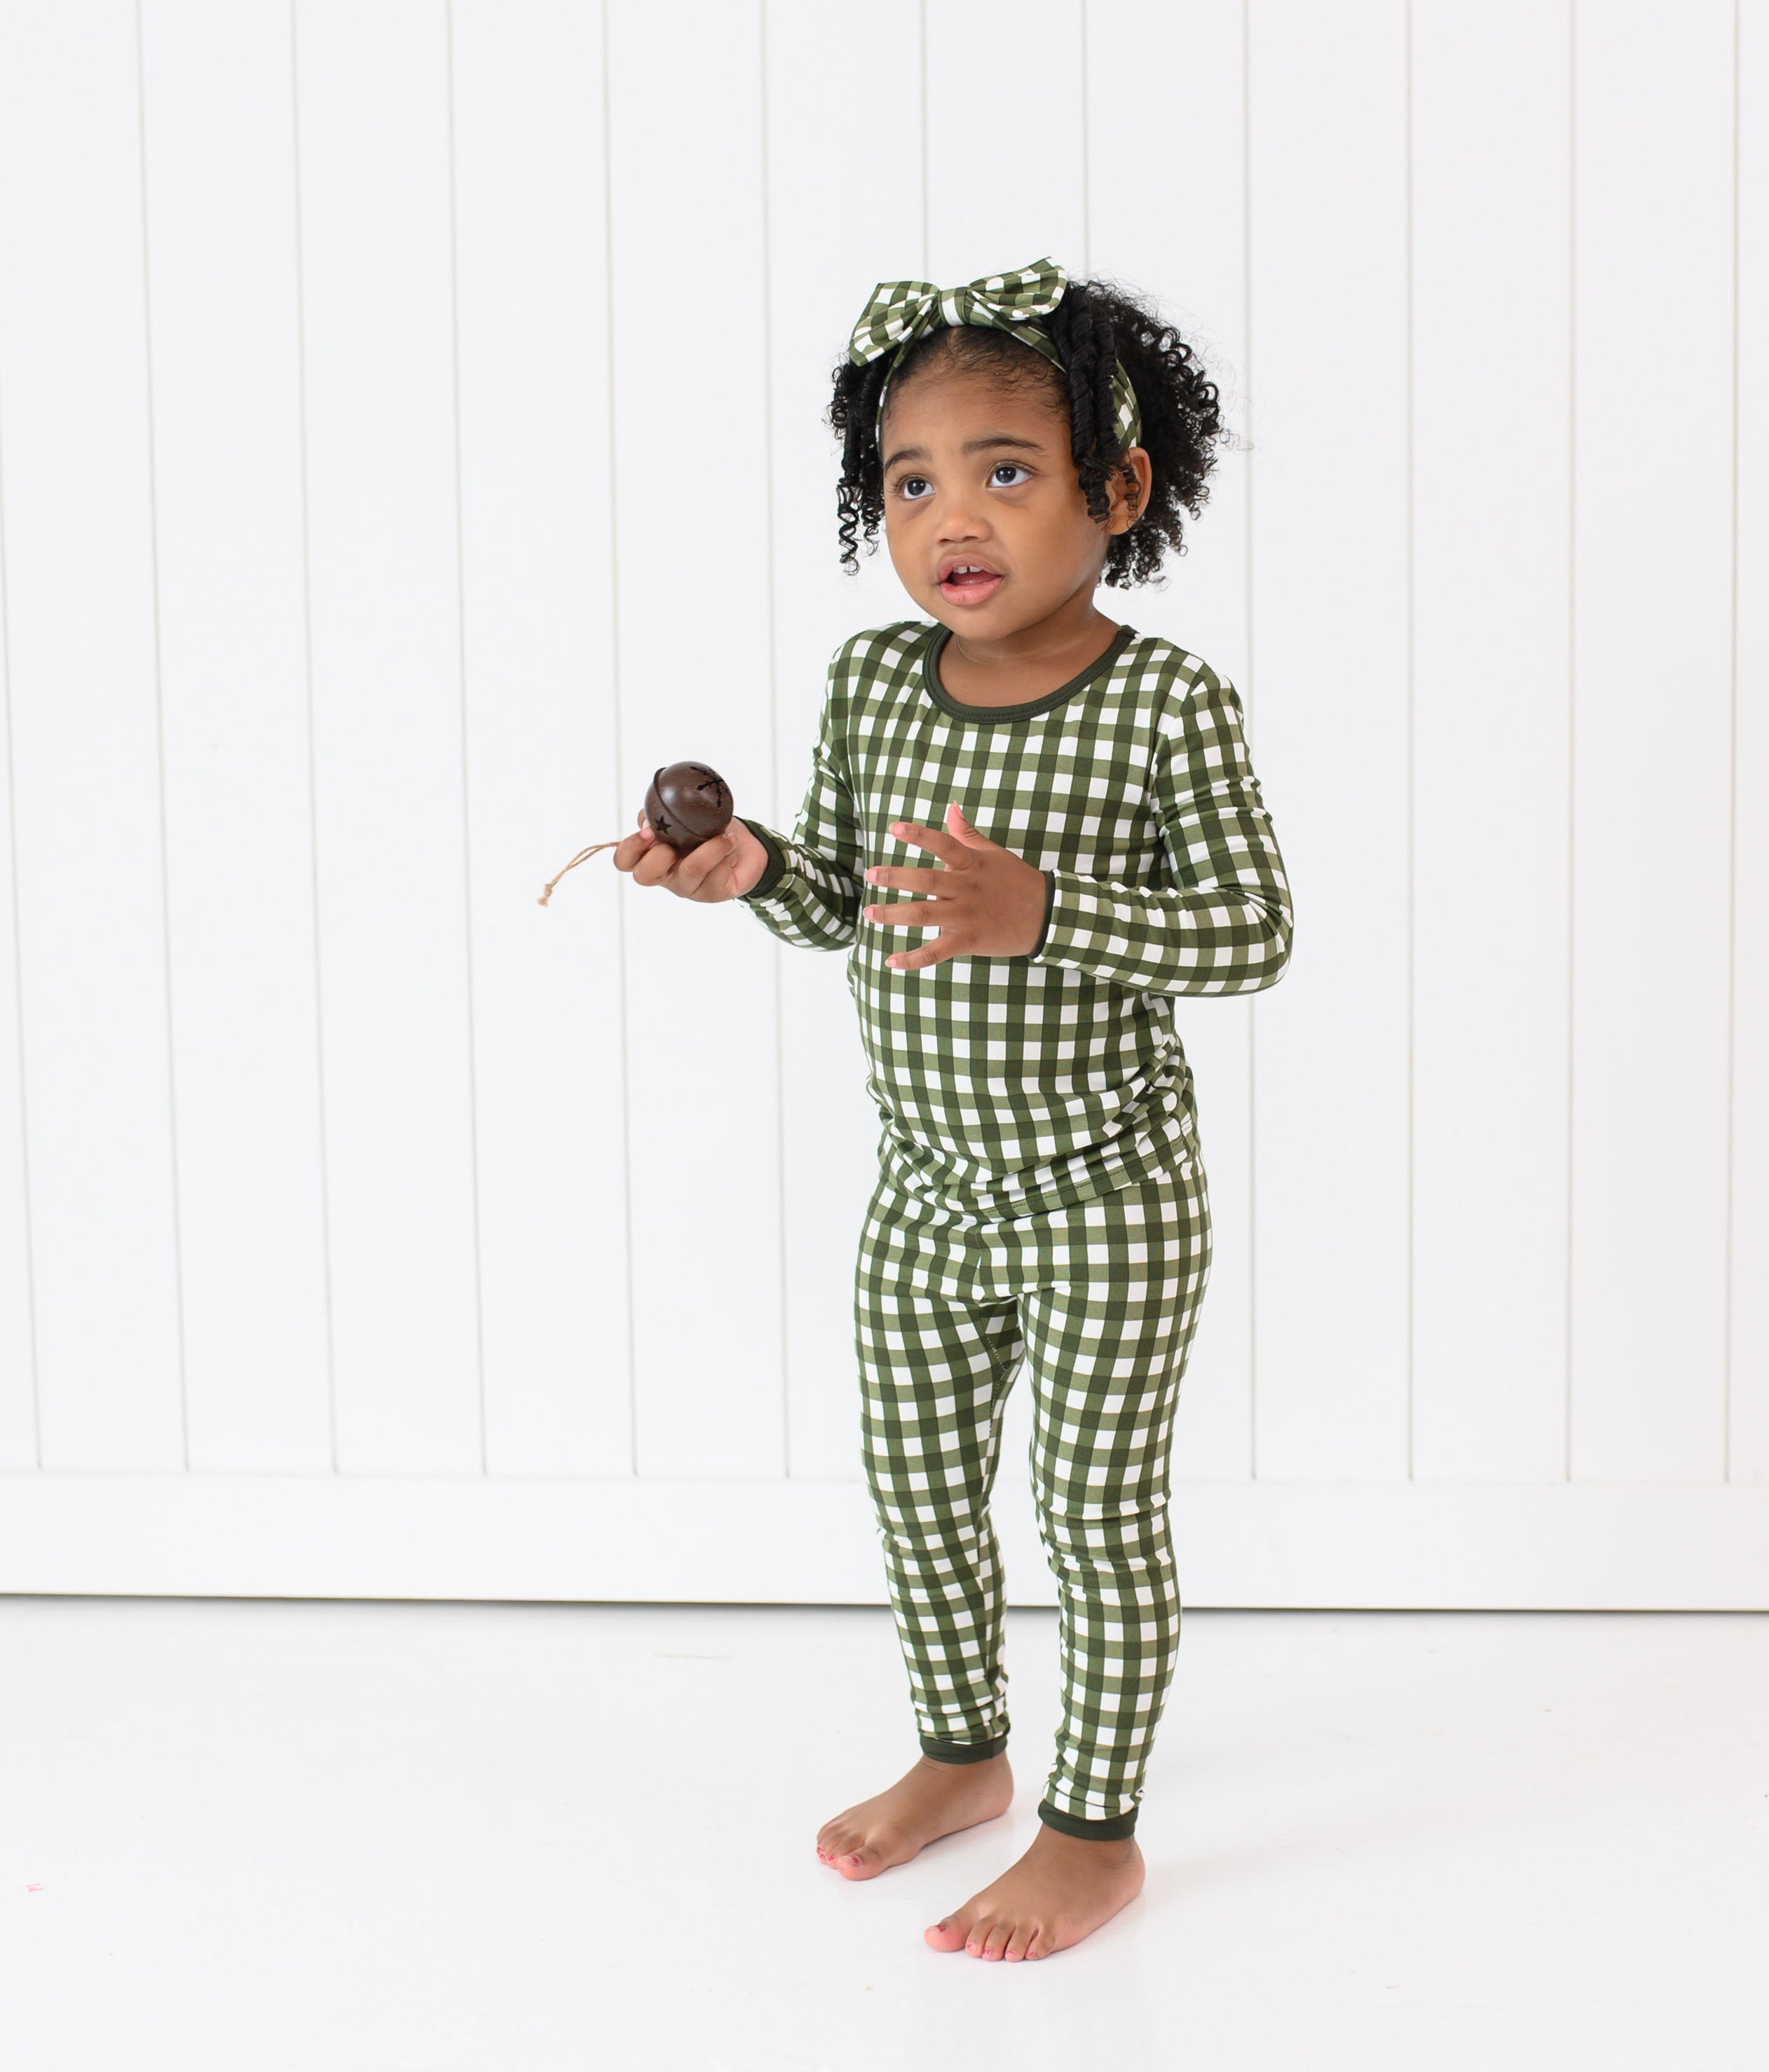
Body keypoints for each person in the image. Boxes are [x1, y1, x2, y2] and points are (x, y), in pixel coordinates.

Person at [614, 257, 1294, 1961]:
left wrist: (1039, 909)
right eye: (909, 481)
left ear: (1113, 489)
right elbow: (847, 897)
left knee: (1092, 1511)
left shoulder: (1163, 702)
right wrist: (752, 868)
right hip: (923, 1190)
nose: (951, 517)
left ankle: (1092, 1830)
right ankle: (962, 1750)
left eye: (1003, 468)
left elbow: (1251, 933)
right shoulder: (870, 679)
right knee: (916, 1486)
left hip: (1104, 1192)